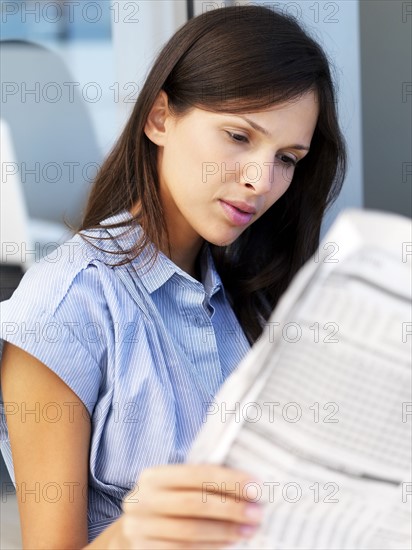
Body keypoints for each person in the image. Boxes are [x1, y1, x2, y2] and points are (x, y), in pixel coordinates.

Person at [0, 5, 346, 549]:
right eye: (238, 136)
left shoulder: (251, 292)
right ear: (160, 118)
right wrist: (132, 535)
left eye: (288, 158)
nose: (262, 180)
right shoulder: (64, 307)